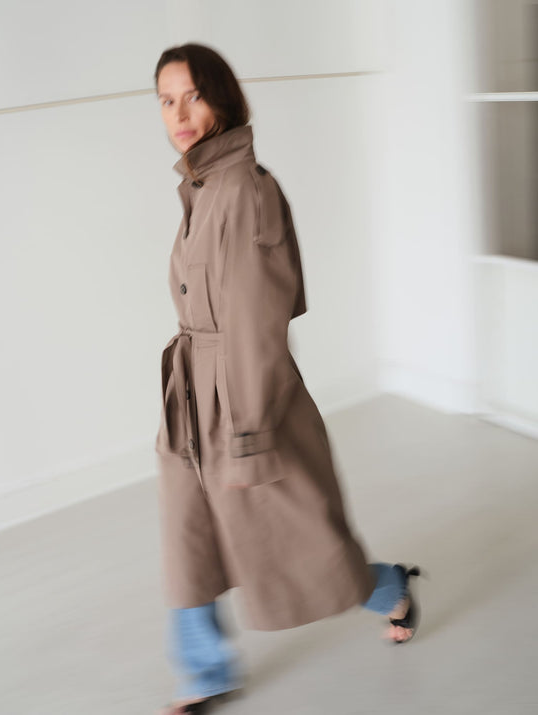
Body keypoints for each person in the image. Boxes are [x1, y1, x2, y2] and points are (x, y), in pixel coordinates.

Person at [153, 43, 422, 715]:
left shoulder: (245, 190)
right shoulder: (201, 186)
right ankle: (204, 673)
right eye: (166, 100)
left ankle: (390, 588)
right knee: (187, 535)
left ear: (221, 98)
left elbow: (257, 324)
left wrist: (247, 434)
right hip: (192, 393)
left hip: (242, 394)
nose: (179, 114)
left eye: (192, 96)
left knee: (302, 540)